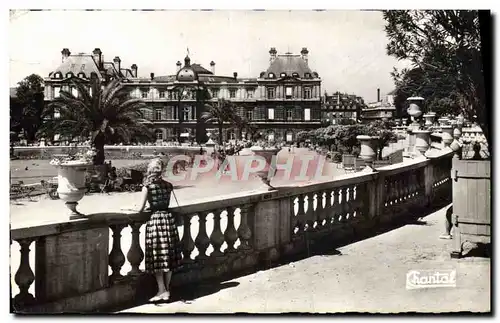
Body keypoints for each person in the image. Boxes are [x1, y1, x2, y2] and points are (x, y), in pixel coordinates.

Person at [134, 158, 182, 302]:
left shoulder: (147, 186)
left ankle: (162, 290)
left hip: (155, 220)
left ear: (149, 171)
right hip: (168, 219)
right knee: (168, 256)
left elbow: (140, 209)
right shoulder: (168, 185)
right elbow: (164, 202)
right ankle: (166, 290)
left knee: (157, 257)